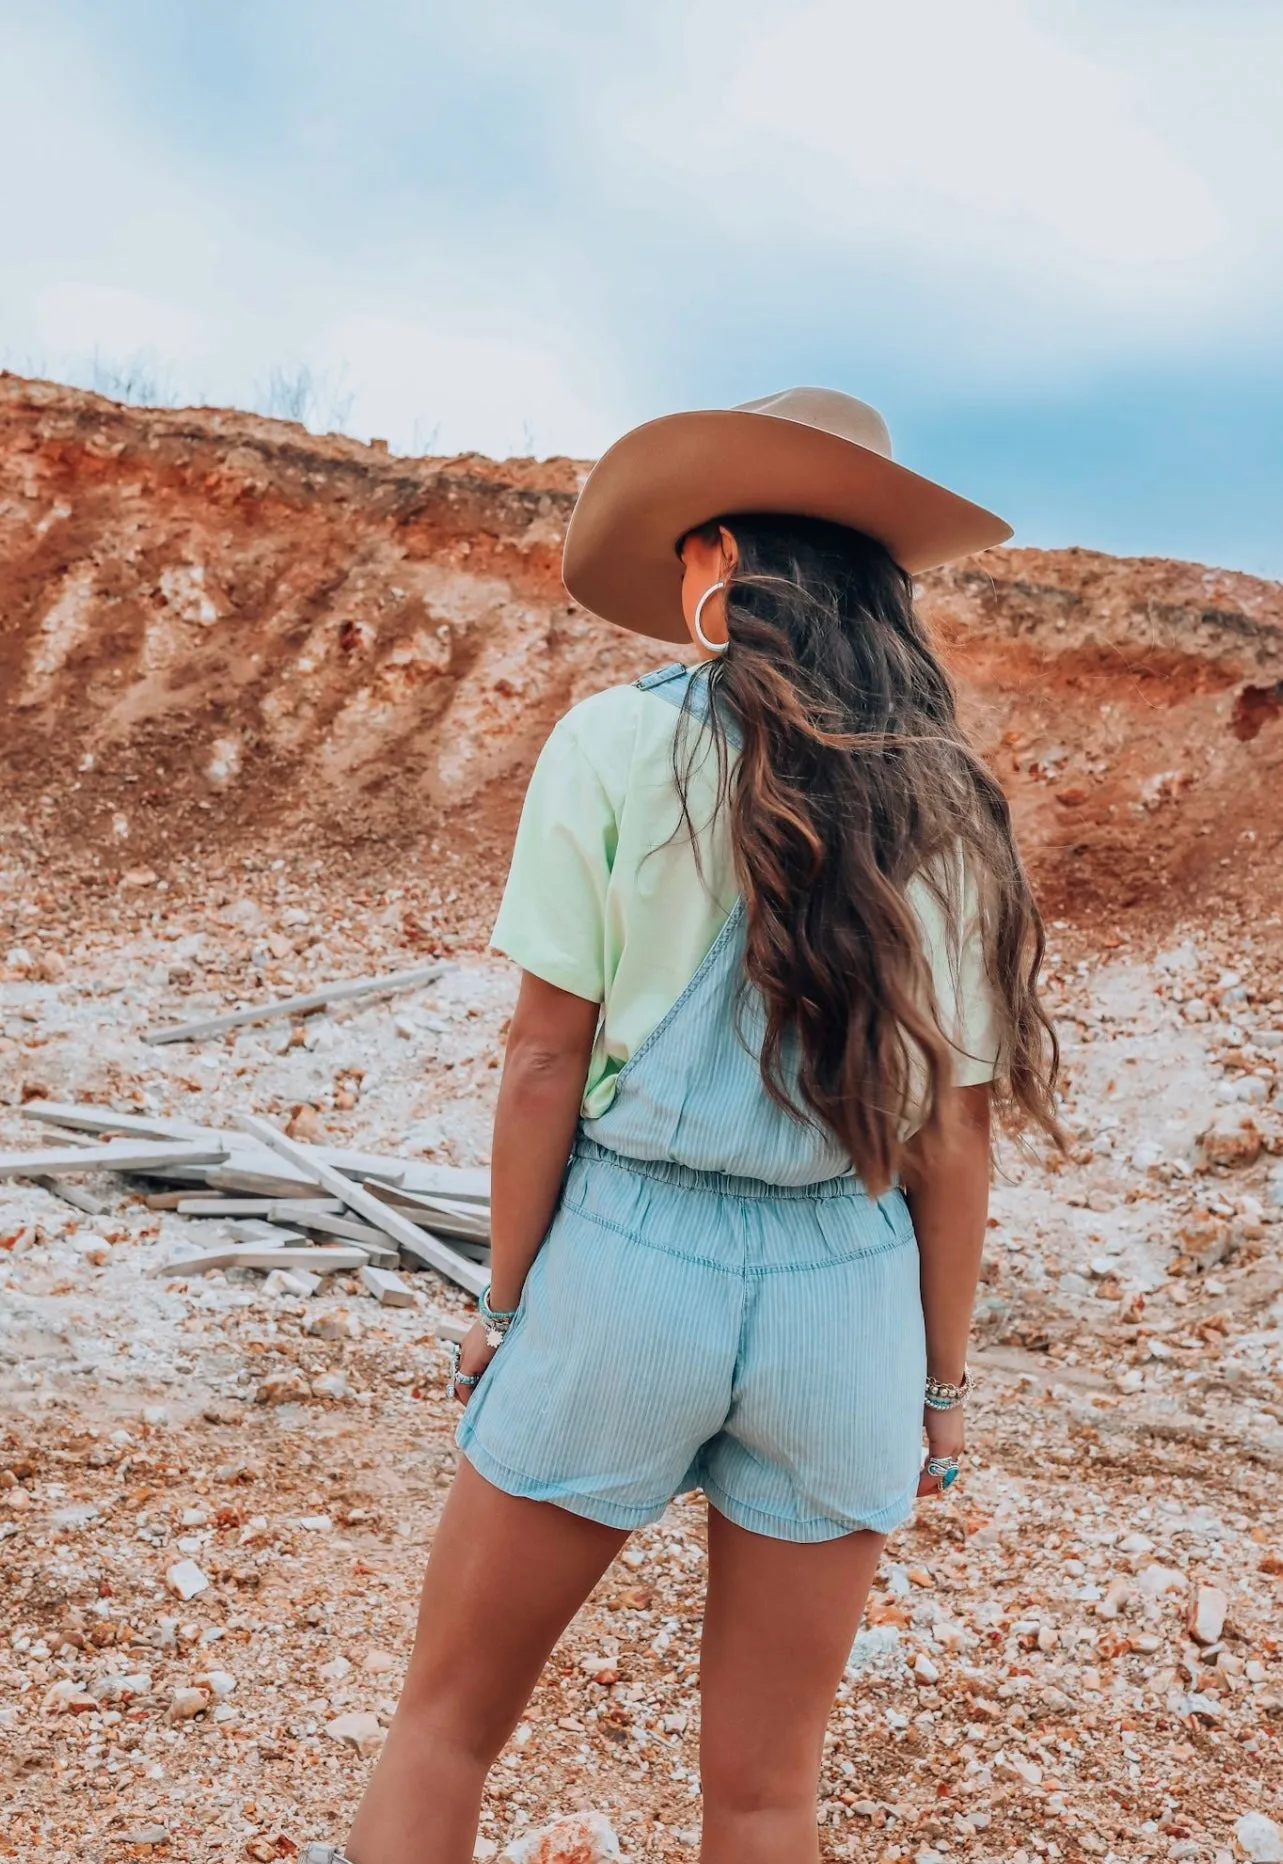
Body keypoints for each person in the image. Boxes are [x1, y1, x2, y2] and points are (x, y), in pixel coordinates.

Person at [309, 387, 1060, 1864]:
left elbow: (542, 1063)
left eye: (684, 567)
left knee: (446, 1728)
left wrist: (503, 1303)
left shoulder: (613, 744)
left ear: (719, 560)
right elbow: (951, 1144)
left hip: (628, 1265)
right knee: (768, 1792)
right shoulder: (951, 805)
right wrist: (939, 1386)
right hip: (845, 1297)